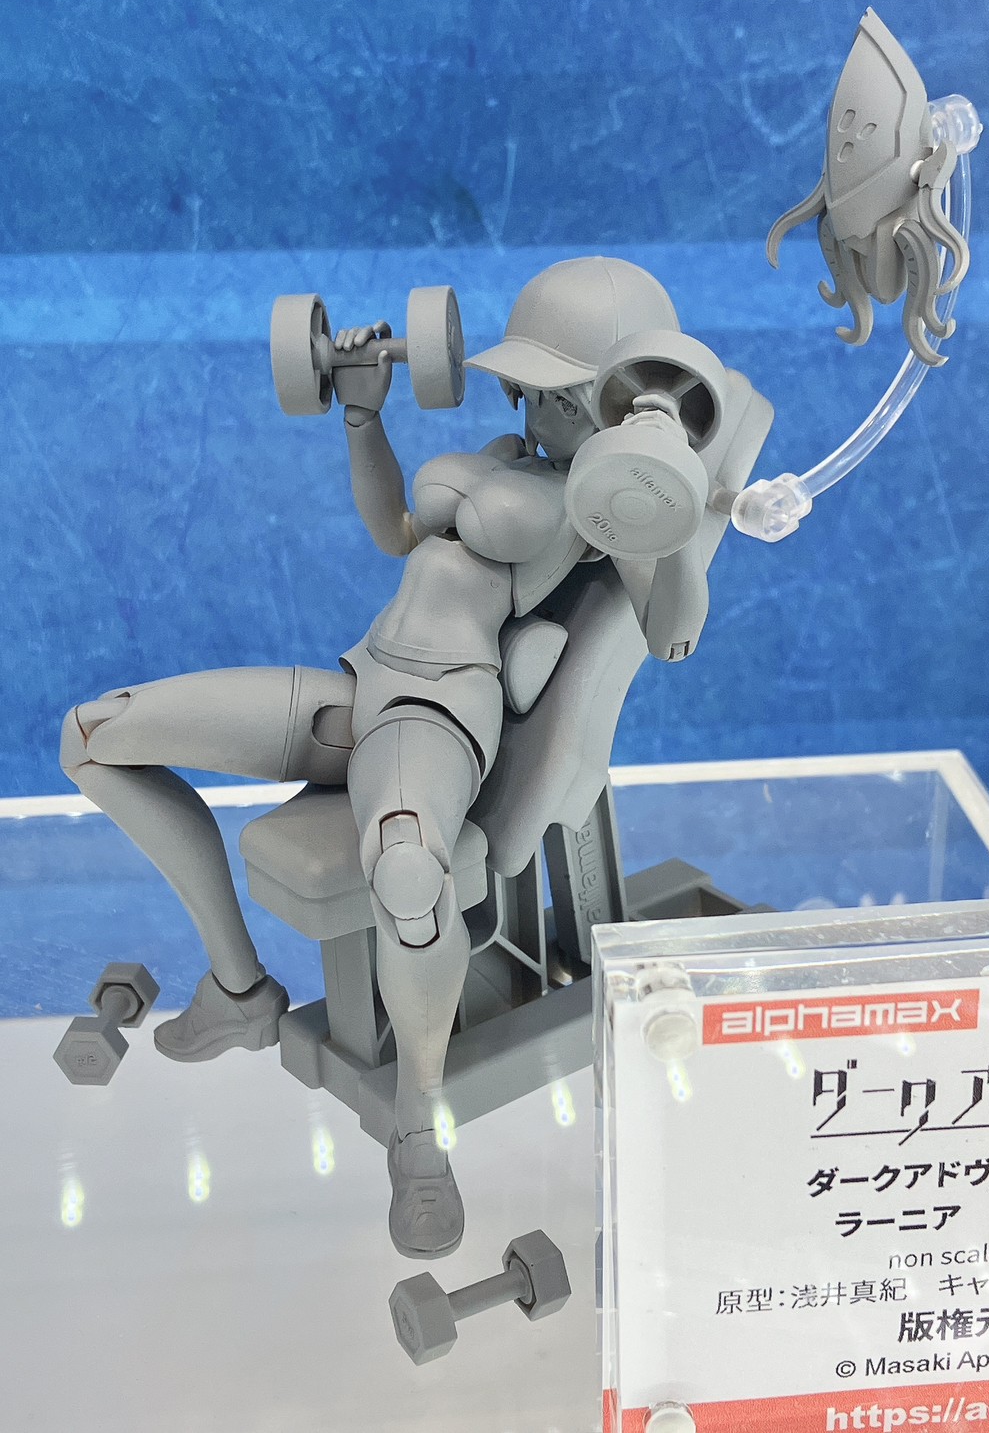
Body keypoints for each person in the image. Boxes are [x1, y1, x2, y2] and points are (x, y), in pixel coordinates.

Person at [61, 256, 739, 1257]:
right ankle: (239, 989)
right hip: (351, 686)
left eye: (564, 395)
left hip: (433, 715)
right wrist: (360, 414)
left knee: (411, 870)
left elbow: (673, 637)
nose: (535, 407)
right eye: (531, 387)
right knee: (95, 735)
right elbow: (392, 530)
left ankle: (418, 1126)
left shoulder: (608, 514)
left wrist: (672, 499)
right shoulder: (501, 453)